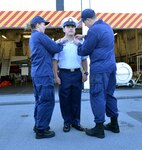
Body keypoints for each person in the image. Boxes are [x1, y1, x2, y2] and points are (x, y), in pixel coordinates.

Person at [74, 8, 120, 138]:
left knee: (97, 95)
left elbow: (84, 51)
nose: (85, 25)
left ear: (88, 20)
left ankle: (99, 128)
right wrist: (86, 37)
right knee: (109, 94)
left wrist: (79, 44)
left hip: (100, 69)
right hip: (111, 67)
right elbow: (100, 39)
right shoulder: (107, 27)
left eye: (84, 23)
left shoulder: (93, 30)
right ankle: (114, 124)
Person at [29, 16, 64, 139]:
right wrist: (61, 42)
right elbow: (55, 48)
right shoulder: (40, 36)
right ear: (38, 24)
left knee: (39, 100)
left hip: (37, 73)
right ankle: (41, 130)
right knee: (47, 101)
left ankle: (38, 124)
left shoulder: (33, 37)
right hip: (43, 74)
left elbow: (48, 49)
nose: (45, 26)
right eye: (44, 24)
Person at [53, 17, 88, 133]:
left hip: (77, 73)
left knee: (76, 99)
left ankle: (76, 122)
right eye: (68, 26)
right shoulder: (58, 43)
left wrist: (85, 73)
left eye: (73, 26)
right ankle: (67, 122)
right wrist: (56, 76)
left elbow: (84, 60)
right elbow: (55, 61)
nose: (71, 29)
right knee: (64, 99)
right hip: (64, 74)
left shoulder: (80, 43)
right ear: (63, 29)